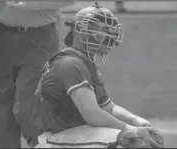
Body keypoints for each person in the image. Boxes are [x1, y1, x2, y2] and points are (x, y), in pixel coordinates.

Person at [30, 2, 152, 148]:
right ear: (82, 34)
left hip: (73, 135)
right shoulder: (71, 64)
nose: (109, 43)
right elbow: (93, 116)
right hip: (53, 139)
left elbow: (108, 107)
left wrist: (137, 121)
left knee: (135, 139)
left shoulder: (84, 64)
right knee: (129, 140)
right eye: (105, 36)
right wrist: (132, 130)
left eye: (112, 38)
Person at [0, 1, 74, 148]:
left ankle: (42, 144)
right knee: (3, 108)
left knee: (28, 106)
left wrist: (20, 3)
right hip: (2, 34)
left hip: (39, 36)